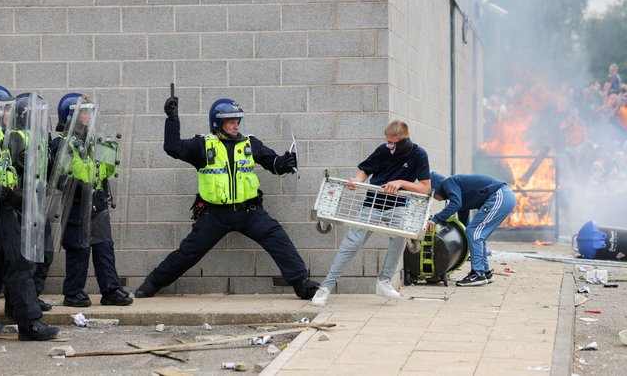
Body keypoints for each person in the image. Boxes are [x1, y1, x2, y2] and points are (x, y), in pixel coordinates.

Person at [134, 96, 319, 300]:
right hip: (214, 215)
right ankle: (153, 282)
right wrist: (172, 119)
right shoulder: (202, 145)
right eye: (230, 120)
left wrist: (285, 162)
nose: (235, 125)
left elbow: (273, 163)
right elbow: (173, 148)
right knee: (189, 252)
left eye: (237, 120)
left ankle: (302, 284)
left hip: (249, 212)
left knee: (278, 238)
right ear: (217, 123)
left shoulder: (250, 143)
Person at [311, 120, 431, 306]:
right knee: (351, 243)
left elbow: (424, 188)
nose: (389, 145)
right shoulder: (383, 150)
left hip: (398, 206)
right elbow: (364, 170)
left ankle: (384, 281)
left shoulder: (419, 154)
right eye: (387, 141)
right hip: (373, 203)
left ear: (404, 142)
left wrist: (401, 183)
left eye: (392, 143)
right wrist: (355, 181)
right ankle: (325, 287)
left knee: (398, 240)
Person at [0, 85, 60, 340]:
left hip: (2, 204)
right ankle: (29, 324)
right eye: (4, 109)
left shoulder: (1, 136)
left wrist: (11, 195)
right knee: (17, 263)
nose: (9, 114)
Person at [50, 93, 132, 307]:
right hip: (76, 203)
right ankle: (73, 292)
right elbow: (61, 176)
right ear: (72, 116)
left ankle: (111, 289)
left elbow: (106, 171)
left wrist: (111, 149)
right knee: (79, 248)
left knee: (105, 246)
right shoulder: (62, 144)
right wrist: (80, 185)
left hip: (96, 199)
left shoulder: (93, 141)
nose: (89, 116)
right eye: (85, 112)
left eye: (90, 112)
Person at [3, 93, 54, 316]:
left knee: (44, 253)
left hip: (37, 202)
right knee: (25, 257)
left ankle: (31, 296)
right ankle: (17, 303)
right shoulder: (16, 137)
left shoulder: (40, 137)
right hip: (21, 205)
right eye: (38, 115)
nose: (42, 119)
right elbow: (10, 171)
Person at [427, 172, 516, 286]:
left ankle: (477, 274)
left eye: (432, 193)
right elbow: (465, 224)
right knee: (476, 234)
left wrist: (435, 219)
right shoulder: (457, 195)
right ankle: (485, 272)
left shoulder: (449, 182)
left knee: (475, 233)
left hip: (500, 195)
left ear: (435, 187)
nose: (433, 197)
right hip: (504, 197)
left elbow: (456, 205)